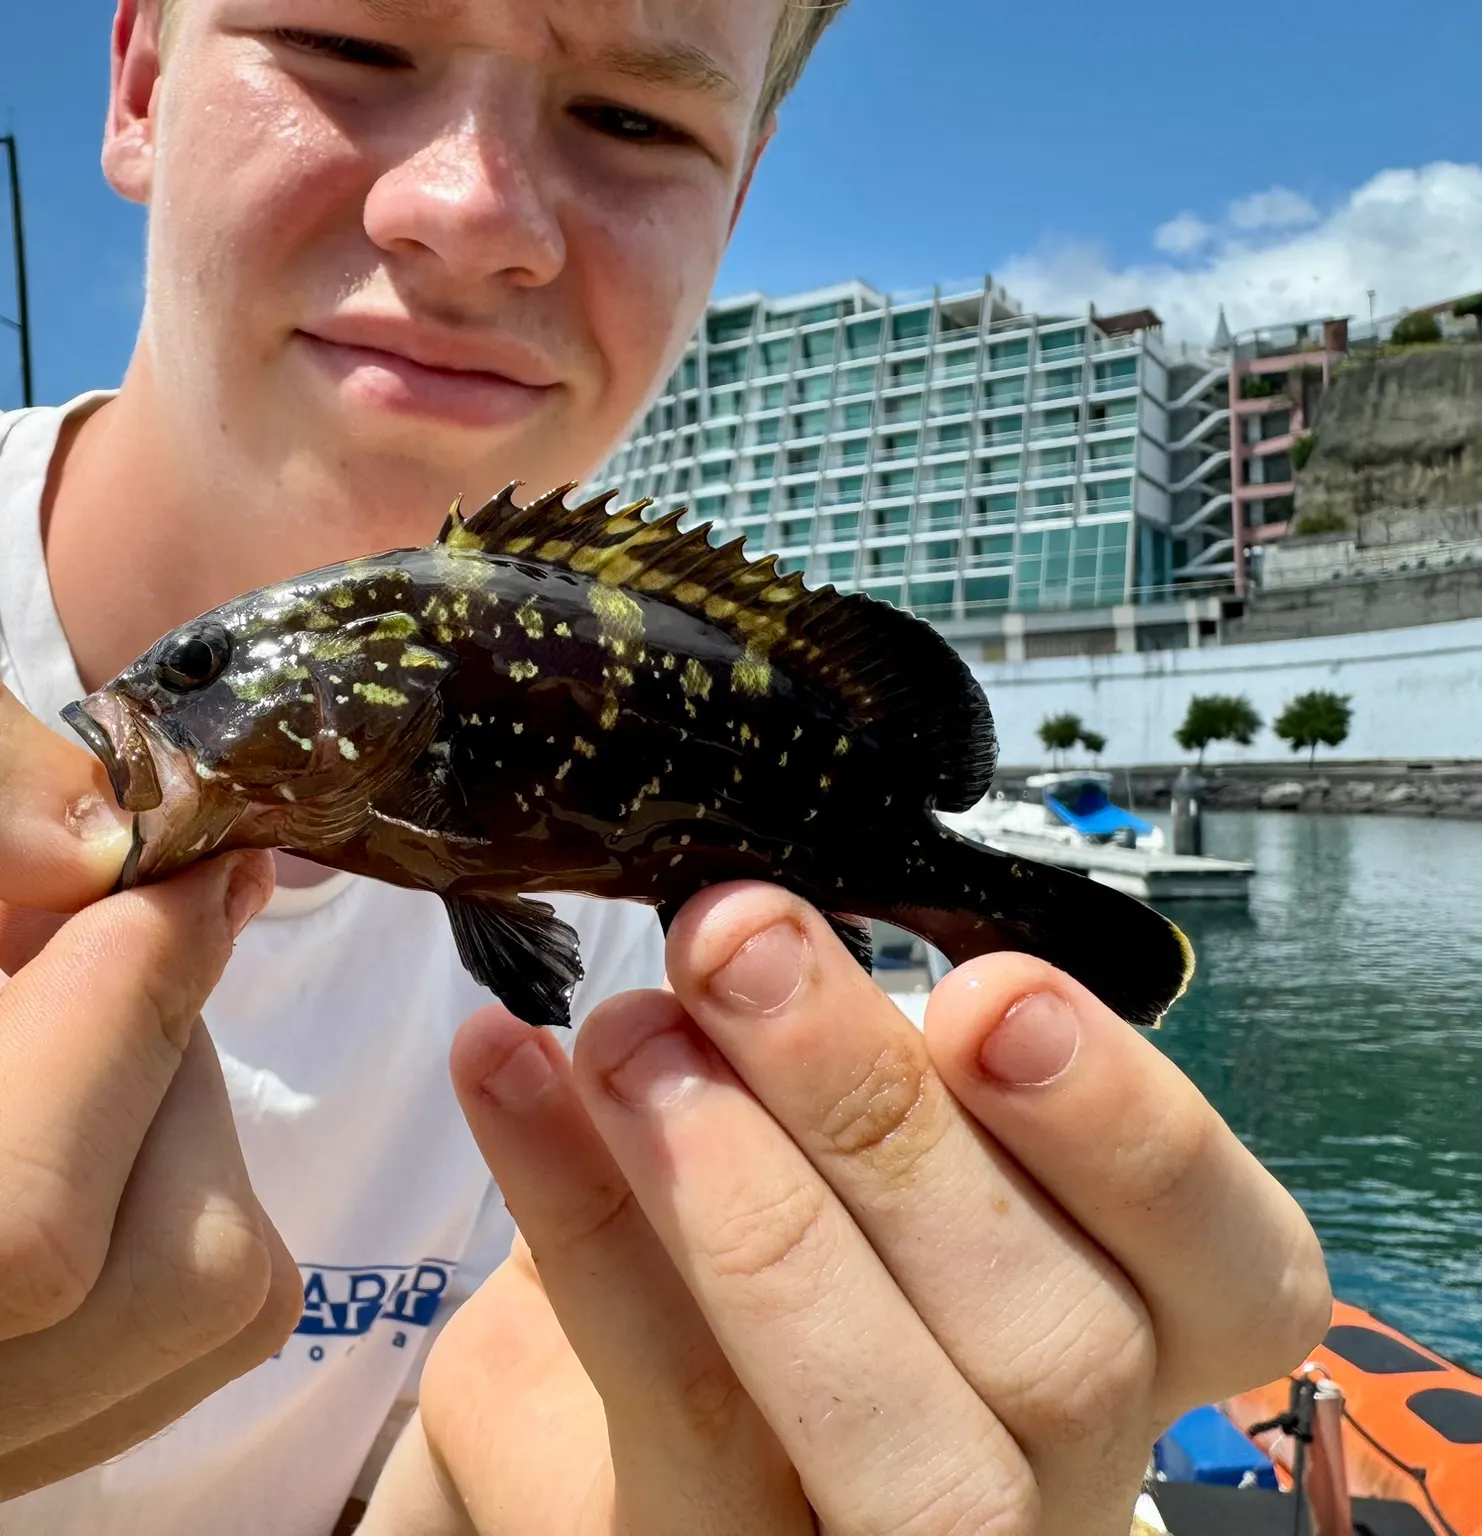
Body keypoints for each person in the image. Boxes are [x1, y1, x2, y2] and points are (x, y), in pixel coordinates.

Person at [0, 0, 1332, 1530]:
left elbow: (481, 1451)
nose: (472, 214)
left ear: (740, 199)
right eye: (346, 45)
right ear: (144, 81)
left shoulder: (683, 1016)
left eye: (635, 120)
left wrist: (506, 1492)